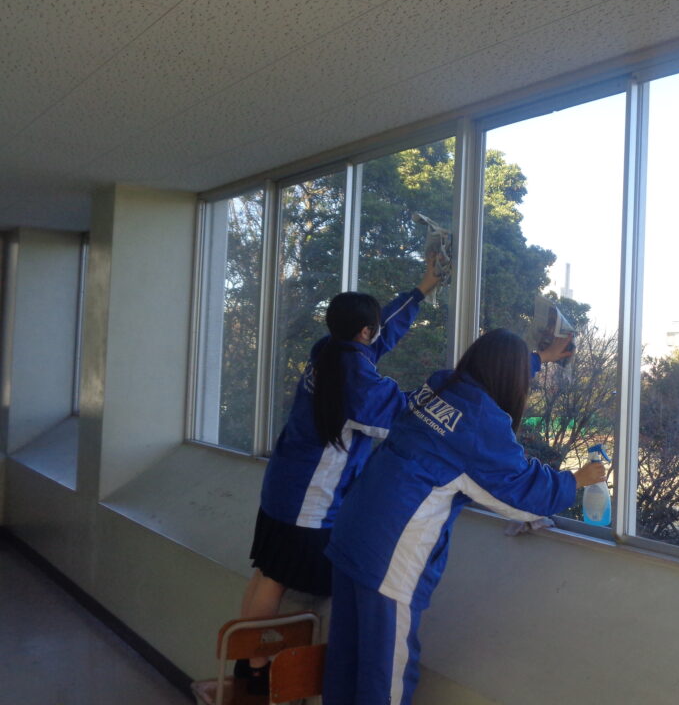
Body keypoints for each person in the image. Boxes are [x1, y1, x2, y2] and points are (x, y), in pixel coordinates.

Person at [321, 329, 607, 705]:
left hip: (352, 534)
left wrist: (541, 358)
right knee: (384, 675)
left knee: (346, 660)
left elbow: (495, 375)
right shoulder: (480, 422)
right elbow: (519, 493)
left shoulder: (440, 387)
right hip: (388, 557)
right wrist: (575, 480)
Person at [234, 258, 442, 694]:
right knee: (282, 582)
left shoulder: (327, 350)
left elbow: (381, 333)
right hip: (309, 504)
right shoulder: (359, 383)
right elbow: (405, 414)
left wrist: (420, 291)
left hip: (282, 487)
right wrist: (454, 388)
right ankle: (257, 669)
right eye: (372, 328)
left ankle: (243, 664)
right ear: (363, 332)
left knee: (266, 571)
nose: (377, 333)